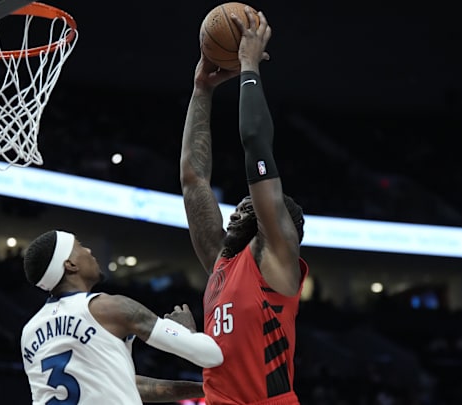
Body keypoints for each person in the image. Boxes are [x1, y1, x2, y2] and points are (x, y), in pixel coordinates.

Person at [178, 6, 308, 405]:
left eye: (246, 208)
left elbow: (257, 145)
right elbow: (193, 180)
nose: (234, 212)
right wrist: (202, 89)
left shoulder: (277, 260)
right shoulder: (222, 263)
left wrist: (249, 65)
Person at [21, 229, 223, 404]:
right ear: (70, 265)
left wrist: (202, 389)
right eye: (80, 246)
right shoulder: (110, 308)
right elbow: (211, 354)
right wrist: (186, 332)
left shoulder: (29, 332)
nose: (89, 251)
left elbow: (124, 383)